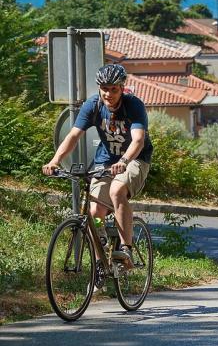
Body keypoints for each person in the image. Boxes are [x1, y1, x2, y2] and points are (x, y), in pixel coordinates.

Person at [43, 64, 153, 267]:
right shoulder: (93, 105)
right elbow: (73, 136)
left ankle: (125, 248)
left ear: (122, 88)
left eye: (114, 89)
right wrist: (55, 161)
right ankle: (100, 258)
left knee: (117, 189)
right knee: (95, 212)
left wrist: (123, 162)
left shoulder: (133, 105)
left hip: (135, 159)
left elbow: (138, 141)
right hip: (105, 159)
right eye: (104, 88)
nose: (108, 93)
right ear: (99, 88)